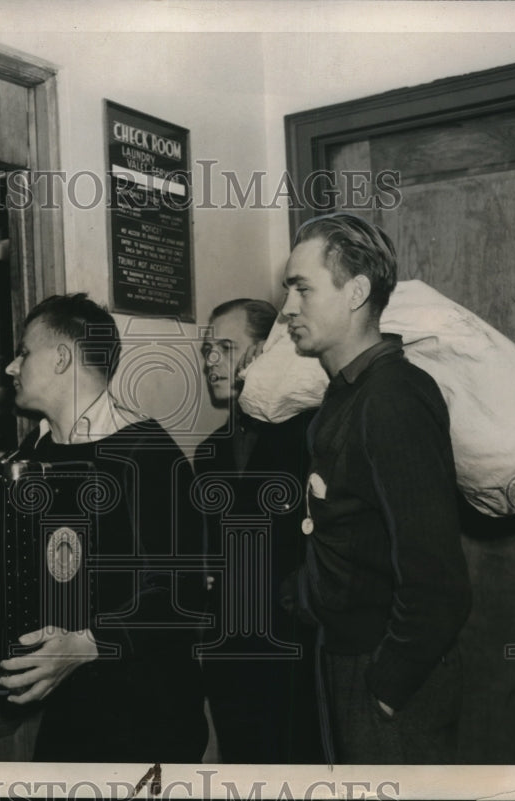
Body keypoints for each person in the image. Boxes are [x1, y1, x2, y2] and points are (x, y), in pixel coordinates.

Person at [279, 213, 472, 764]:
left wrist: (389, 687)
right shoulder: (348, 394)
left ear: (356, 292)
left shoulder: (393, 397)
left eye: (303, 289)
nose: (288, 308)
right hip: (345, 657)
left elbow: (436, 577)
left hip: (385, 673)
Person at [0, 293, 207, 763]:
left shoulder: (148, 455)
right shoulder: (29, 460)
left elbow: (182, 596)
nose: (12, 367)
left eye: (24, 352)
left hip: (148, 718)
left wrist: (87, 645)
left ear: (63, 357)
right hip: (71, 716)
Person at [196, 299, 321, 763]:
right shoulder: (208, 454)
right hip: (231, 660)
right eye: (207, 349)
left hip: (301, 659)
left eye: (224, 348)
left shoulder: (311, 437)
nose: (209, 360)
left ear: (263, 354)